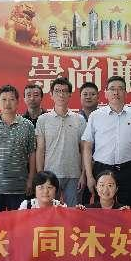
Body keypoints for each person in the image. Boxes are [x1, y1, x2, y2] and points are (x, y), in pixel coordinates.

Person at [82, 75, 131, 208]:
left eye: (120, 89)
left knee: (127, 209)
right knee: (103, 209)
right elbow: (87, 147)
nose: (116, 92)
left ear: (126, 93)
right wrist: (89, 176)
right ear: (106, 93)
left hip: (128, 169)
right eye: (112, 89)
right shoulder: (96, 116)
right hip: (102, 169)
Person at [0, 84, 37, 210]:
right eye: (4, 99)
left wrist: (31, 179)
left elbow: (32, 153)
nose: (7, 103)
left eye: (11, 99)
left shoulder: (27, 125)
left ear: (17, 102)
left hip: (19, 187)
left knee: (18, 221)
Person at [36, 78, 86, 207]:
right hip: (50, 176)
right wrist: (40, 175)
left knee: (73, 212)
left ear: (70, 95)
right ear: (51, 94)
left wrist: (83, 174)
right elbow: (40, 150)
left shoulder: (79, 119)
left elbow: (84, 149)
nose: (61, 94)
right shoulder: (43, 119)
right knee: (49, 212)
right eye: (57, 91)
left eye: (65, 91)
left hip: (74, 175)